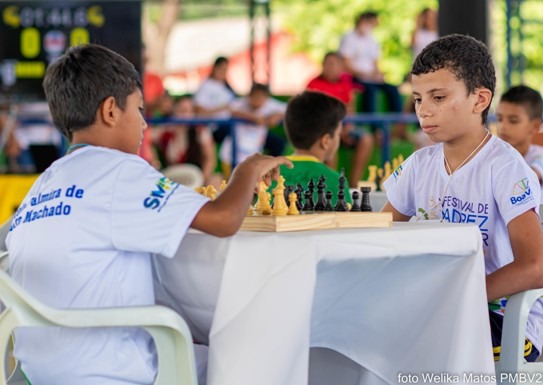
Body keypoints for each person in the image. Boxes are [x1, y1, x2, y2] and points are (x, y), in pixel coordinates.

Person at [6, 44, 291, 385]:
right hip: (111, 371)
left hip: (39, 372)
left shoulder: (45, 181)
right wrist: (247, 170)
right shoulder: (119, 169)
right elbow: (224, 219)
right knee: (261, 356)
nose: (143, 124)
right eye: (138, 109)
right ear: (111, 110)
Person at [381, 34, 543, 362]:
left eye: (438, 97)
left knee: (414, 345)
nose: (424, 111)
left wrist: (456, 296)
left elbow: (535, 268)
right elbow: (379, 233)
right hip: (442, 308)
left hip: (506, 320)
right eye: (417, 99)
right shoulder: (419, 164)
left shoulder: (504, 167)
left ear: (479, 100)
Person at [306, 52, 374, 188]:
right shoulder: (313, 84)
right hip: (324, 129)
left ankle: (354, 184)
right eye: (328, 64)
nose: (330, 68)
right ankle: (333, 185)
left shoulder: (346, 83)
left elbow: (350, 109)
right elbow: (314, 113)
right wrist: (336, 130)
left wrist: (347, 126)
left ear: (341, 67)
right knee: (331, 141)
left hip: (345, 127)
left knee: (366, 139)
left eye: (334, 64)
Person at [279, 91, 352, 205]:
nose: (339, 139)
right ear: (326, 141)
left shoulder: (270, 174)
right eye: (338, 134)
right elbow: (348, 221)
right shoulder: (335, 181)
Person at [497, 85, 543, 203]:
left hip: (541, 221)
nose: (503, 126)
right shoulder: (497, 156)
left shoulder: (541, 155)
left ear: (535, 126)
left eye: (513, 121)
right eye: (499, 119)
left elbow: (526, 180)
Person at [338, 11, 402, 114]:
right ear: (363, 21)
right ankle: (373, 125)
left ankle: (398, 121)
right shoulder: (349, 38)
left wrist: (378, 74)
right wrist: (364, 74)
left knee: (392, 89)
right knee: (371, 91)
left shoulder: (372, 40)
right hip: (355, 77)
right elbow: (346, 64)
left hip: (371, 77)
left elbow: (375, 62)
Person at [219, 83, 286, 176]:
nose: (257, 100)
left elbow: (287, 109)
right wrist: (253, 118)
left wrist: (277, 116)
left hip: (253, 156)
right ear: (249, 96)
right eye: (255, 97)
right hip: (231, 156)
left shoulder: (271, 105)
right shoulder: (239, 103)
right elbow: (230, 110)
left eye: (261, 97)